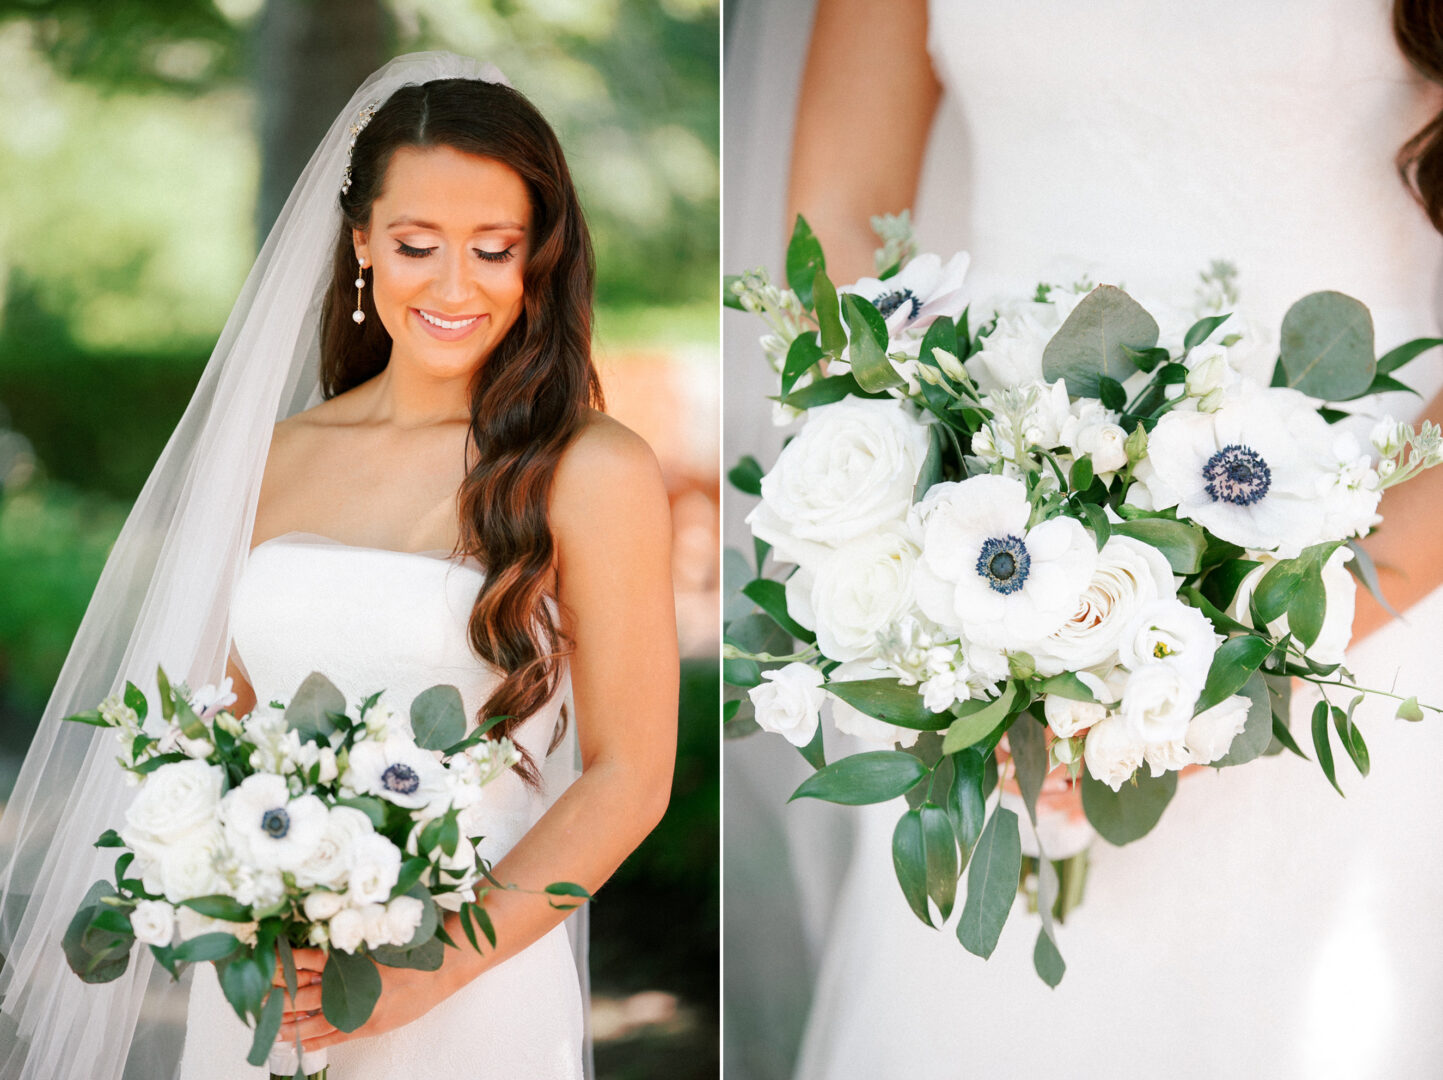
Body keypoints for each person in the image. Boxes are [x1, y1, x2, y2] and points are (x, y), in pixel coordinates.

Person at [728, 1, 1443, 1077]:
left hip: (1368, 594)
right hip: (980, 580)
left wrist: (1265, 650)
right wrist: (915, 550)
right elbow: (840, 225)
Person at [0, 51, 678, 1080]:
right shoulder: (272, 461)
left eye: (494, 249)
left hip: (476, 985)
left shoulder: (591, 468)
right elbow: (217, 725)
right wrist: (239, 887)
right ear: (362, 243)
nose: (456, 286)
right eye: (417, 245)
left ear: (538, 258)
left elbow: (630, 779)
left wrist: (429, 971)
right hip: (281, 985)